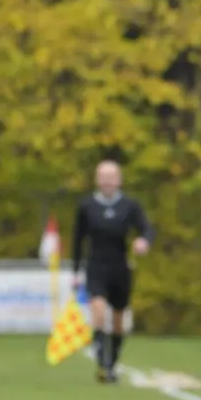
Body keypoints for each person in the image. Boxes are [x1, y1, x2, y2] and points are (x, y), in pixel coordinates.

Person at [71, 160, 153, 383]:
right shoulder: (87, 206)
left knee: (118, 320)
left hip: (120, 267)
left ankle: (113, 360)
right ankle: (103, 364)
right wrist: (76, 271)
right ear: (97, 180)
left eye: (111, 177)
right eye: (103, 177)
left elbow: (146, 228)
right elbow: (78, 239)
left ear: (119, 180)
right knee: (98, 311)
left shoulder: (130, 206)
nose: (107, 181)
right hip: (96, 266)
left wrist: (143, 241)